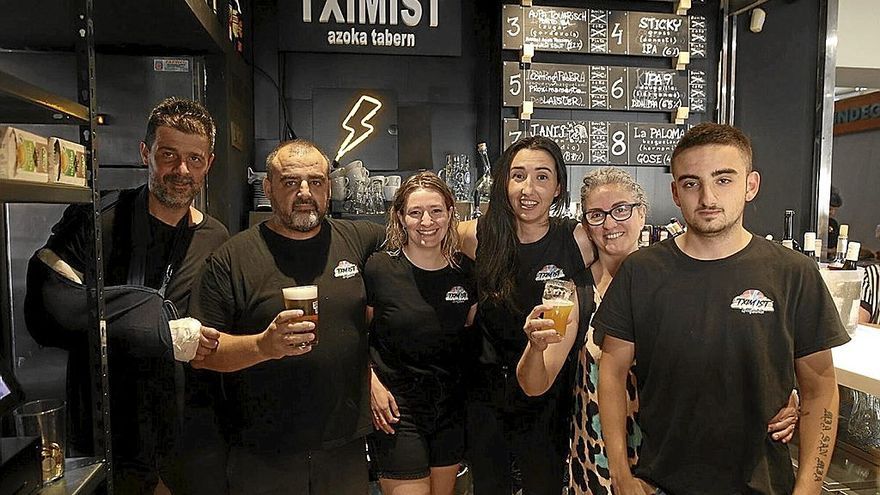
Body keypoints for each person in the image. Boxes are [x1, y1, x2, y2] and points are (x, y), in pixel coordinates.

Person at [596, 123, 850, 494]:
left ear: (751, 185)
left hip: (762, 485)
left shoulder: (793, 273)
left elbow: (821, 388)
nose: (707, 197)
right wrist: (620, 475)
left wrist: (808, 490)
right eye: (691, 182)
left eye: (724, 179)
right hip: (661, 483)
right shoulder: (642, 271)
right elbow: (612, 373)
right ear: (675, 192)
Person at [518, 167, 800, 494]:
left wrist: (782, 394)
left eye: (621, 210)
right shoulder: (574, 293)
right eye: (597, 215)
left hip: (681, 463)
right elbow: (534, 385)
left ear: (642, 214)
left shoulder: (683, 283)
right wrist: (535, 348)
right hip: (601, 464)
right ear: (586, 226)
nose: (610, 223)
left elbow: (738, 350)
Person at [24, 97, 230, 494]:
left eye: (195, 159)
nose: (181, 170)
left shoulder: (216, 239)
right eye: (168, 155)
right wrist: (151, 320)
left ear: (210, 163)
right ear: (145, 153)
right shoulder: (97, 220)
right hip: (109, 430)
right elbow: (47, 315)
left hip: (186, 434)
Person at [189, 138, 385, 494]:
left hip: (343, 444)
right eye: (291, 182)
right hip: (262, 450)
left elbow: (425, 236)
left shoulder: (360, 239)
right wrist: (264, 346)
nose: (305, 192)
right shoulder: (232, 258)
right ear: (268, 188)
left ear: (329, 188)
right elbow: (204, 354)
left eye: (316, 182)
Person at [456, 136, 594, 495]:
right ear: (505, 183)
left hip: (548, 392)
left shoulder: (577, 240)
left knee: (542, 484)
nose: (528, 189)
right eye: (518, 176)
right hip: (485, 391)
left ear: (559, 187)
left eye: (542, 177)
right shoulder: (479, 235)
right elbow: (429, 239)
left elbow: (619, 258)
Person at [365, 171, 477, 495]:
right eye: (415, 212)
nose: (427, 221)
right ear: (401, 217)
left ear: (450, 214)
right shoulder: (380, 268)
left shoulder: (467, 272)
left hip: (449, 409)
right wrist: (369, 381)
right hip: (398, 410)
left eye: (436, 211)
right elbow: (356, 333)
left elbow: (471, 334)